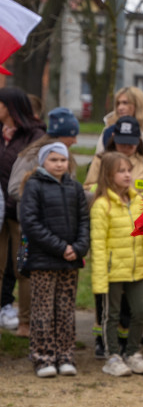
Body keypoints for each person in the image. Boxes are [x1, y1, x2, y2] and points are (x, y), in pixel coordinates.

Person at [6, 108, 82, 339]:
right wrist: (43, 198)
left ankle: (55, 327)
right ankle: (27, 324)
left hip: (61, 228)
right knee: (30, 273)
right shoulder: (32, 155)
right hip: (32, 225)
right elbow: (13, 188)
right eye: (72, 135)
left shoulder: (64, 155)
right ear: (61, 134)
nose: (76, 140)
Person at [18, 143, 89, 377]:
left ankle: (65, 355)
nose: (59, 164)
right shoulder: (34, 186)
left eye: (63, 159)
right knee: (43, 310)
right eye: (54, 160)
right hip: (43, 260)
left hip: (70, 260)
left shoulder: (75, 187)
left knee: (66, 310)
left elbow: (84, 222)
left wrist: (78, 248)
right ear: (43, 162)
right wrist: (61, 248)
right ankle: (43, 357)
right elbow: (31, 223)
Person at [90, 152, 143, 377]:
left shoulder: (139, 201)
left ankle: (132, 352)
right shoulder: (101, 205)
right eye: (121, 171)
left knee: (140, 311)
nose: (128, 175)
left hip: (136, 269)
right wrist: (100, 278)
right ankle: (112, 356)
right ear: (108, 175)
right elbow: (98, 245)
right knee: (112, 314)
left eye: (129, 170)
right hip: (112, 272)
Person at [0, 87, 46, 340]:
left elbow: (32, 173)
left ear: (10, 107)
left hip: (21, 211)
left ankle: (25, 322)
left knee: (22, 267)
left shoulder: (35, 135)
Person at [96, 86, 143, 158]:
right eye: (118, 103)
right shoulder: (110, 130)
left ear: (138, 104)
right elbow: (99, 159)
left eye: (125, 103)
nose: (120, 107)